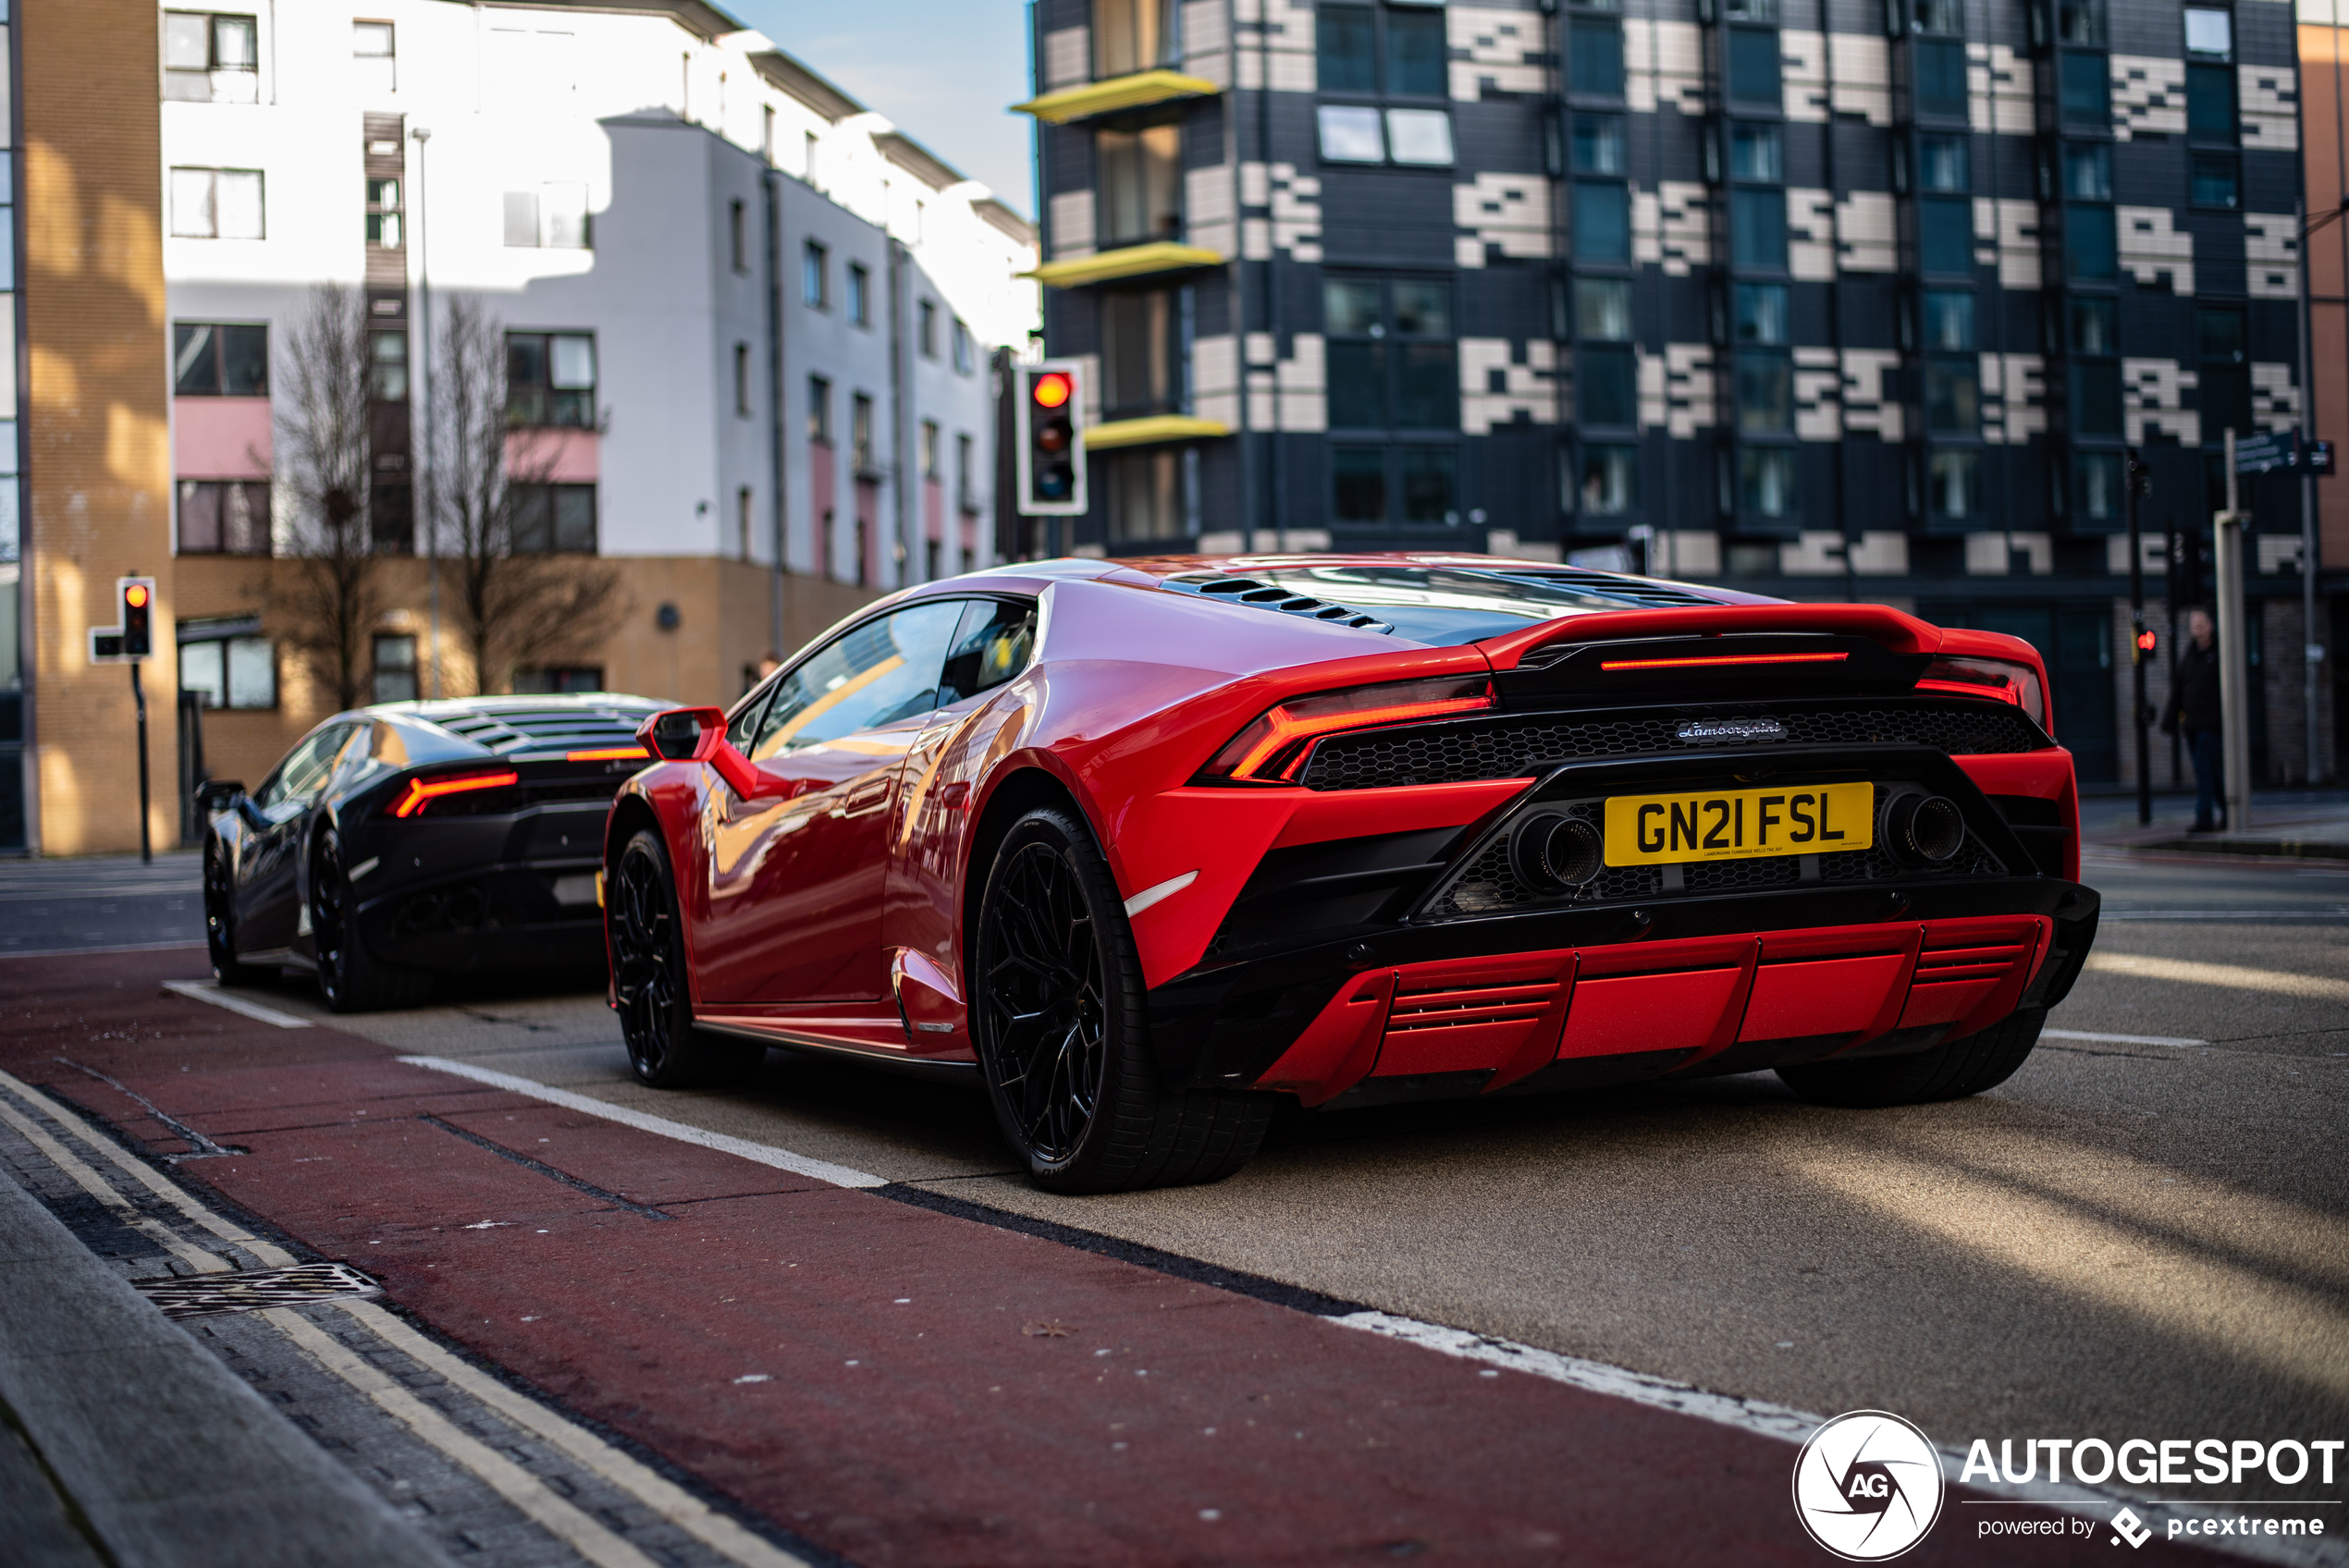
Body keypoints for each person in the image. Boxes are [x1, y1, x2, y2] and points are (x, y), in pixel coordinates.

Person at [2159, 606, 2224, 832]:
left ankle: (2204, 818)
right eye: (2194, 625)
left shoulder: (2219, 653)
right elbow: (2179, 690)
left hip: (2211, 723)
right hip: (2192, 725)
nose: (2197, 628)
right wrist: (2169, 720)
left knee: (2204, 770)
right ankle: (2227, 810)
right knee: (2210, 771)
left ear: (2210, 625)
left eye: (2201, 624)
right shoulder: (2189, 655)